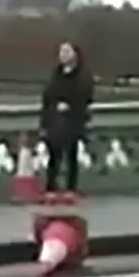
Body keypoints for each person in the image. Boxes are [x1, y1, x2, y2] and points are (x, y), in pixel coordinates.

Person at [38, 42, 94, 194]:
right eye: (62, 52)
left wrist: (68, 103)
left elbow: (85, 95)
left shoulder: (83, 75)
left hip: (73, 120)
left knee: (71, 155)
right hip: (54, 121)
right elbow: (47, 96)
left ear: (75, 54)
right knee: (53, 156)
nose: (63, 55)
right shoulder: (55, 74)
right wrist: (45, 120)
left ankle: (71, 187)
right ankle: (51, 187)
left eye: (67, 51)